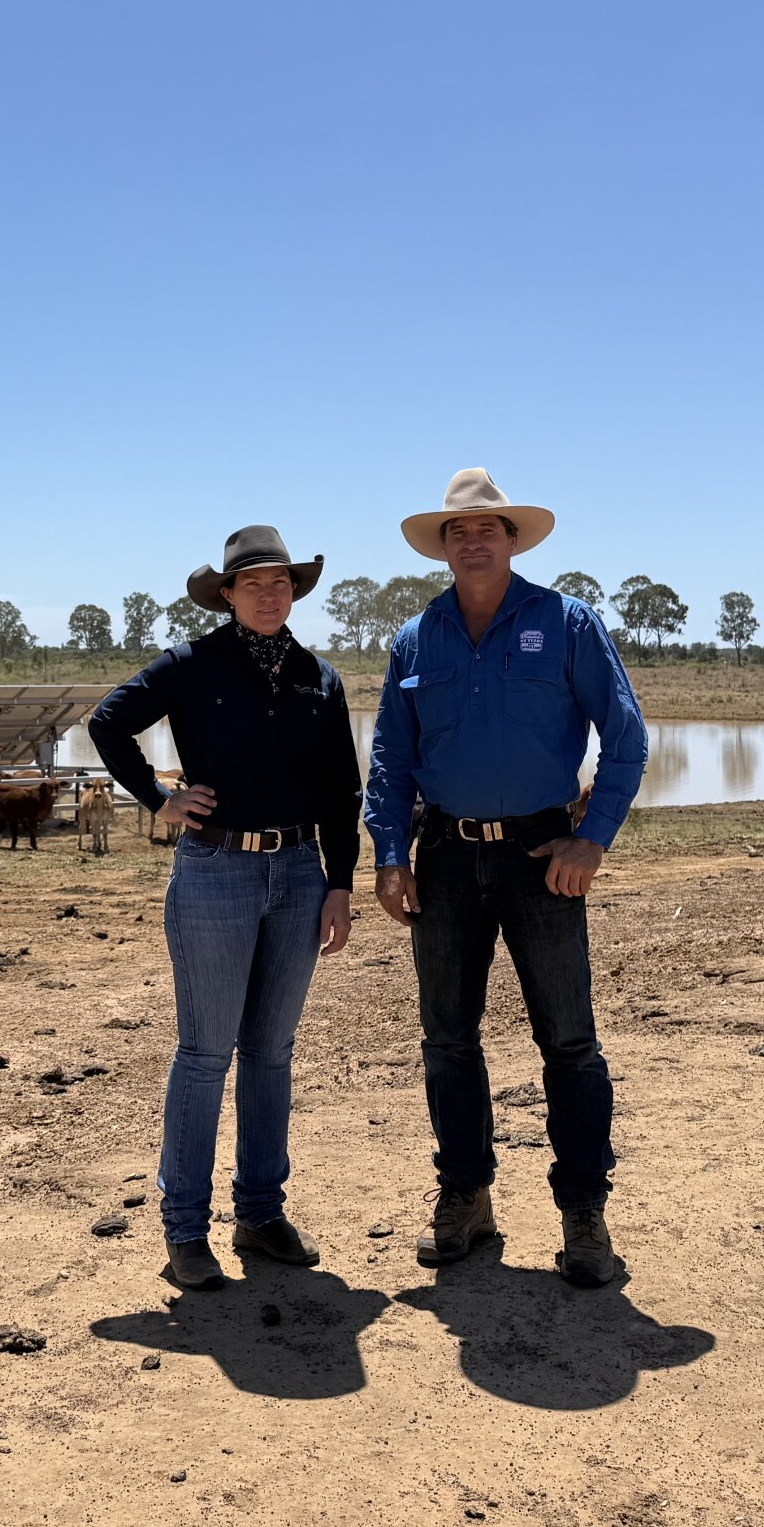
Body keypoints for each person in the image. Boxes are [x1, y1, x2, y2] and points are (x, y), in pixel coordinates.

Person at [364, 468, 649, 1287]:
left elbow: (626, 737)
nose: (473, 540)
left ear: (513, 538)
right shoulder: (416, 640)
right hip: (446, 857)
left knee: (569, 1040)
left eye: (487, 527)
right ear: (442, 547)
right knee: (447, 1039)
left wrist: (591, 841)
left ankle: (584, 1213)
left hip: (540, 857)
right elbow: (390, 761)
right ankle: (466, 1196)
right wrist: (390, 854)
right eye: (458, 531)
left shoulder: (566, 623)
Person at [89, 525, 360, 1291]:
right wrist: (157, 798)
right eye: (253, 583)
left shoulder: (318, 678)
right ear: (228, 595)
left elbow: (341, 789)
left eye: (280, 582)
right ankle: (185, 1231)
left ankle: (261, 1215)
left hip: (300, 874)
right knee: (206, 1053)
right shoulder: (191, 665)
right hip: (215, 873)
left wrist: (341, 882)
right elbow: (108, 722)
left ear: (294, 591)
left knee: (271, 1052)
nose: (269, 594)